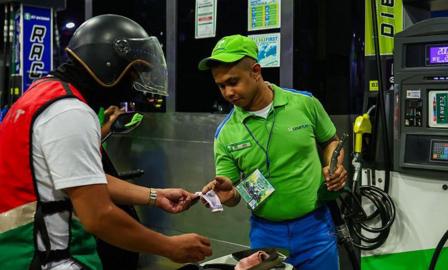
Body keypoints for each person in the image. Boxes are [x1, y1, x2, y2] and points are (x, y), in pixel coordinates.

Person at [0, 14, 212, 270]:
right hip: (49, 258)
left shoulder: (41, 94)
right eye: (134, 71)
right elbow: (98, 216)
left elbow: (81, 179)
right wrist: (169, 247)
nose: (135, 83)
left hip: (17, 250)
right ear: (108, 64)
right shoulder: (70, 112)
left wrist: (155, 196)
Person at [198, 34, 348, 270]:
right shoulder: (226, 133)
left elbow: (331, 140)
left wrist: (334, 165)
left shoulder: (304, 104)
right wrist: (228, 196)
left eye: (233, 82)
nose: (228, 93)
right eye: (221, 86)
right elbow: (233, 191)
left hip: (316, 228)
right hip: (266, 236)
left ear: (255, 71)